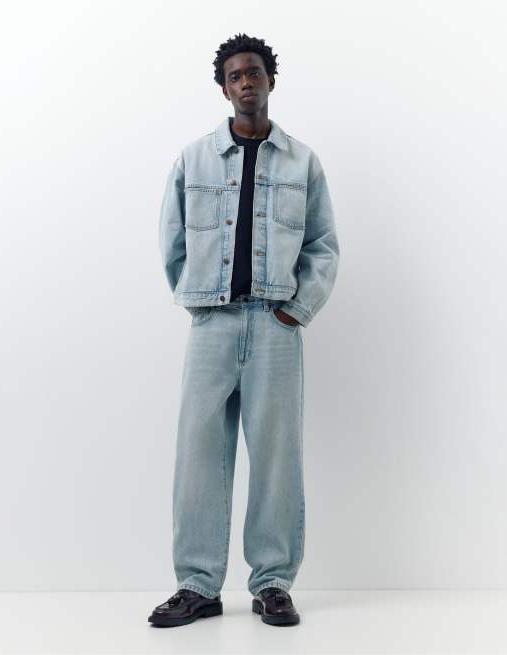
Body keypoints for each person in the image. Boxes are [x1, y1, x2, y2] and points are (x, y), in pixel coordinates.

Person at [148, 32, 340, 628]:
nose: (246, 82)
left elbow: (323, 246)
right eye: (235, 76)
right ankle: (197, 585)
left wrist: (296, 309)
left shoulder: (302, 161)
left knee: (277, 456)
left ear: (270, 79)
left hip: (276, 326)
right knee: (198, 455)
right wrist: (200, 303)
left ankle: (273, 582)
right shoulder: (194, 159)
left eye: (254, 72)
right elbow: (172, 241)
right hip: (212, 324)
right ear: (224, 88)